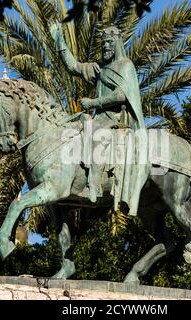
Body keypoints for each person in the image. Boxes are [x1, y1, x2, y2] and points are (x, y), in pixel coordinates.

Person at [49, 22, 149, 216]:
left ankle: (93, 186)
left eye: (109, 43)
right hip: (98, 117)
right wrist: (60, 40)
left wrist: (94, 103)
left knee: (96, 134)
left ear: (118, 43)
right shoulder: (100, 68)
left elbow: (121, 95)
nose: (105, 47)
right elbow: (74, 67)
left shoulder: (126, 66)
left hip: (116, 119)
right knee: (70, 130)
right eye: (103, 44)